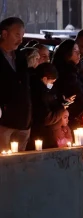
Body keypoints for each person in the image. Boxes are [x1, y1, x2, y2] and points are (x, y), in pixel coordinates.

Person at [0, 17, 31, 151]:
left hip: (23, 120)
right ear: (4, 33)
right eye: (17, 35)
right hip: (4, 122)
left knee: (20, 165)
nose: (20, 40)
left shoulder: (20, 57)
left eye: (22, 36)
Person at [29, 62, 65, 150]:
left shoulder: (36, 87)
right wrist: (62, 108)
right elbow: (46, 118)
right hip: (40, 133)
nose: (51, 85)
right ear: (45, 79)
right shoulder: (39, 92)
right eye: (51, 82)